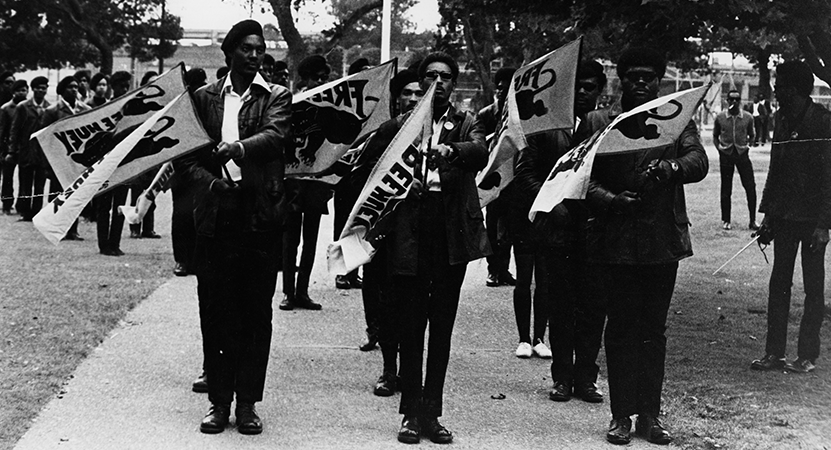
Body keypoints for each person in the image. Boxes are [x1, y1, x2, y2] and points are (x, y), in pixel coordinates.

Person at [582, 48, 708, 445]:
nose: (641, 83)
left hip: (662, 241)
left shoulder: (677, 119)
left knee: (653, 330)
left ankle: (650, 416)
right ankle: (621, 414)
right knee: (620, 327)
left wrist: (671, 168)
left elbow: (698, 160)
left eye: (649, 77)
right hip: (615, 240)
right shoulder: (599, 122)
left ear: (659, 81)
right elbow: (579, 176)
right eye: (633, 76)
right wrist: (610, 200)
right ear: (620, 80)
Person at [175, 19, 291, 435]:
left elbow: (275, 136)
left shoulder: (275, 95)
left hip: (260, 217)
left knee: (256, 313)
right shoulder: (204, 99)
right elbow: (185, 159)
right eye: (246, 48)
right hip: (218, 217)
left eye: (260, 49)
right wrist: (213, 184)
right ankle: (218, 402)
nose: (255, 55)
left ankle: (247, 404)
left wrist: (237, 148)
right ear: (228, 54)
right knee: (217, 310)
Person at [380, 52, 489, 444]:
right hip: (410, 229)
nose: (437, 82)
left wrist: (451, 151)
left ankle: (432, 412)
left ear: (453, 84)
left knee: (441, 327)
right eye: (431, 75)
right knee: (411, 325)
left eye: (446, 76)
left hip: (449, 232)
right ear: (421, 80)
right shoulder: (399, 125)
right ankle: (410, 411)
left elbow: (480, 151)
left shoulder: (465, 122)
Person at [750, 60, 831, 375]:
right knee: (778, 284)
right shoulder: (781, 120)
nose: (775, 90)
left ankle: (807, 355)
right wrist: (767, 215)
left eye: (780, 85)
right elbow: (776, 169)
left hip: (813, 222)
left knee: (813, 288)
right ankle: (774, 354)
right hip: (784, 217)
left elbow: (829, 178)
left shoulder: (824, 123)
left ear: (795, 89)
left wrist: (825, 224)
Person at [351, 67, 425, 393]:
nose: (412, 99)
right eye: (406, 93)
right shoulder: (386, 131)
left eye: (418, 93)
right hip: (390, 232)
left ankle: (413, 373)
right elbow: (363, 178)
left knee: (417, 307)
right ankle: (388, 370)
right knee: (390, 303)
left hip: (424, 232)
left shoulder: (440, 134)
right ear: (396, 98)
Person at [278, 54, 333, 312]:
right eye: (315, 78)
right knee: (291, 240)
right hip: (291, 182)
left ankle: (303, 291)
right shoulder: (289, 102)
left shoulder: (328, 107)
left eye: (324, 78)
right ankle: (287, 292)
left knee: (311, 240)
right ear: (304, 79)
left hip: (315, 182)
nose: (320, 82)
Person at [478, 67, 517, 288]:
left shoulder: (519, 117)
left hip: (513, 179)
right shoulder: (486, 115)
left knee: (509, 230)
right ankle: (493, 269)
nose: (501, 93)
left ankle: (504, 270)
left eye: (506, 89)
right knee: (492, 228)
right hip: (492, 179)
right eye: (499, 89)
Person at [39, 76, 91, 241]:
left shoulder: (85, 109)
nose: (74, 90)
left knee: (75, 194)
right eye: (70, 87)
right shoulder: (52, 111)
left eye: (76, 87)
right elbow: (44, 139)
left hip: (77, 160)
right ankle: (55, 227)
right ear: (61, 90)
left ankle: (73, 229)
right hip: (58, 160)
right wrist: (46, 165)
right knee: (57, 194)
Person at [93, 71, 132, 255]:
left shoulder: (132, 112)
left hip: (124, 164)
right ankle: (103, 244)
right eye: (121, 86)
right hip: (106, 164)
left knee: (120, 206)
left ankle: (115, 243)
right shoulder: (105, 110)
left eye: (127, 86)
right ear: (113, 87)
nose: (124, 90)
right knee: (104, 206)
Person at [713, 89, 757, 231]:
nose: (734, 102)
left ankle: (752, 220)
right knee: (726, 188)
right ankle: (726, 220)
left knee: (750, 186)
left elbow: (752, 134)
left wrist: (746, 146)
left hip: (742, 154)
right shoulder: (720, 117)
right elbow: (715, 135)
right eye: (731, 99)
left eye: (737, 99)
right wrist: (719, 148)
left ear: (740, 101)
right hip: (726, 155)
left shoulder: (748, 117)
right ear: (727, 101)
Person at [9, 76, 48, 221]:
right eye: (37, 87)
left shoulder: (49, 108)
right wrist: (12, 150)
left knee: (40, 184)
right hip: (26, 150)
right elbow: (15, 130)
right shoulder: (23, 107)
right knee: (25, 183)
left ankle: (36, 212)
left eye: (43, 88)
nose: (40, 90)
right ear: (33, 89)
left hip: (42, 152)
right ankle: (25, 212)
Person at [128, 71, 162, 240]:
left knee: (151, 191)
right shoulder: (137, 104)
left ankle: (149, 228)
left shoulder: (161, 104)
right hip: (137, 153)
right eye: (151, 83)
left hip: (153, 152)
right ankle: (135, 226)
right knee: (136, 191)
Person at [0, 79, 28, 214]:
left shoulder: (28, 107)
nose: (22, 93)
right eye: (19, 90)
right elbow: (2, 130)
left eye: (24, 90)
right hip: (8, 148)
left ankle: (21, 205)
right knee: (7, 177)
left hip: (24, 148)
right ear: (13, 92)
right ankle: (6, 203)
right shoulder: (6, 109)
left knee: (24, 178)